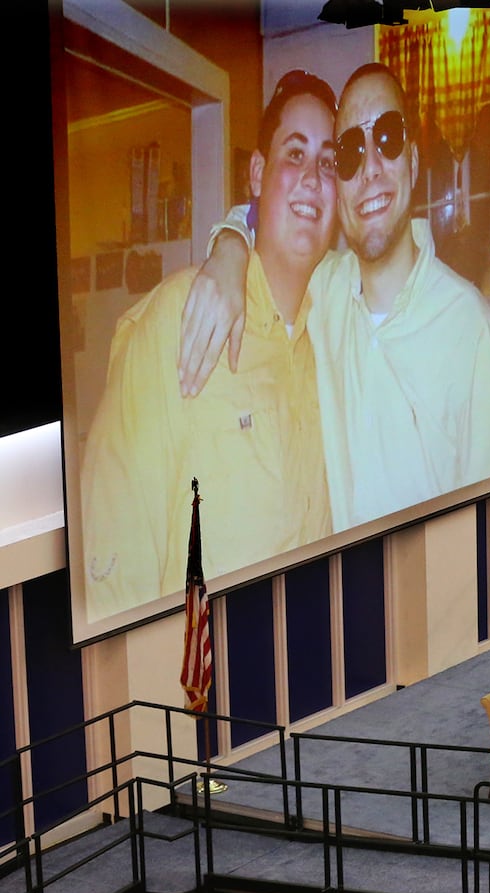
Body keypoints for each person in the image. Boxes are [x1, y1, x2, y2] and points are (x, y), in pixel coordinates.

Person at [179, 62, 490, 533]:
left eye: (388, 138)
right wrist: (229, 246)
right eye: (350, 153)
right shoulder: (321, 293)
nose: (371, 170)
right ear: (338, 184)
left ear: (415, 162)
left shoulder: (471, 330)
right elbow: (270, 226)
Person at [79, 70, 339, 621]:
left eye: (329, 162)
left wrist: (231, 239)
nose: (314, 178)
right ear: (258, 173)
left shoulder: (335, 336)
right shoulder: (177, 318)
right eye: (295, 154)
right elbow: (112, 582)